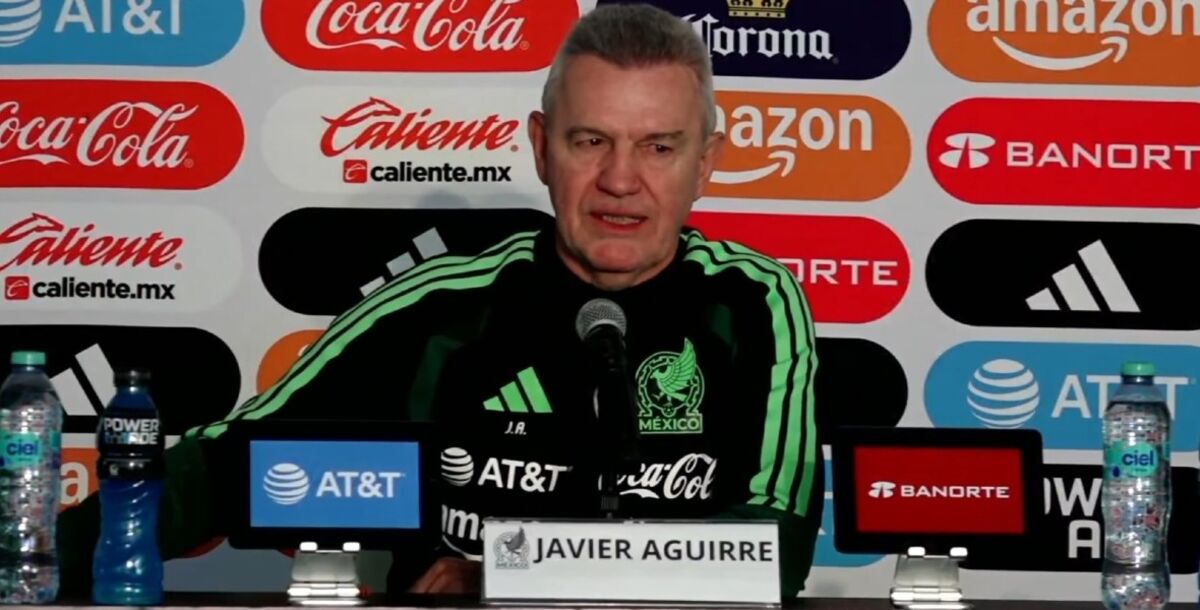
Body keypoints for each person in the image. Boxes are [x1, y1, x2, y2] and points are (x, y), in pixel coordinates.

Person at [56, 2, 823, 599]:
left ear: (708, 162)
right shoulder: (436, 308)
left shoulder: (754, 303)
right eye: (590, 141)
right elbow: (225, 467)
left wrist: (509, 578)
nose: (621, 180)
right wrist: (31, 561)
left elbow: (773, 547)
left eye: (659, 146)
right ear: (540, 146)